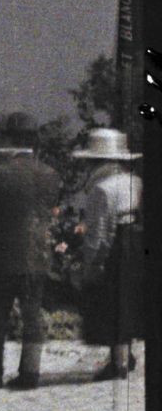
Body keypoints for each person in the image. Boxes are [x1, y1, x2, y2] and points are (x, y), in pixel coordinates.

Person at [0, 113, 61, 391]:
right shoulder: (49, 174)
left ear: (9, 139)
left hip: (0, 255)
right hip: (36, 254)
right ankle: (30, 372)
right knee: (32, 314)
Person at [70, 128, 142, 381]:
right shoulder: (134, 180)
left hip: (115, 245)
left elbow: (98, 230)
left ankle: (118, 362)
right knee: (129, 298)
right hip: (137, 240)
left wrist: (91, 262)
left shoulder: (101, 188)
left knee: (112, 302)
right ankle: (127, 355)